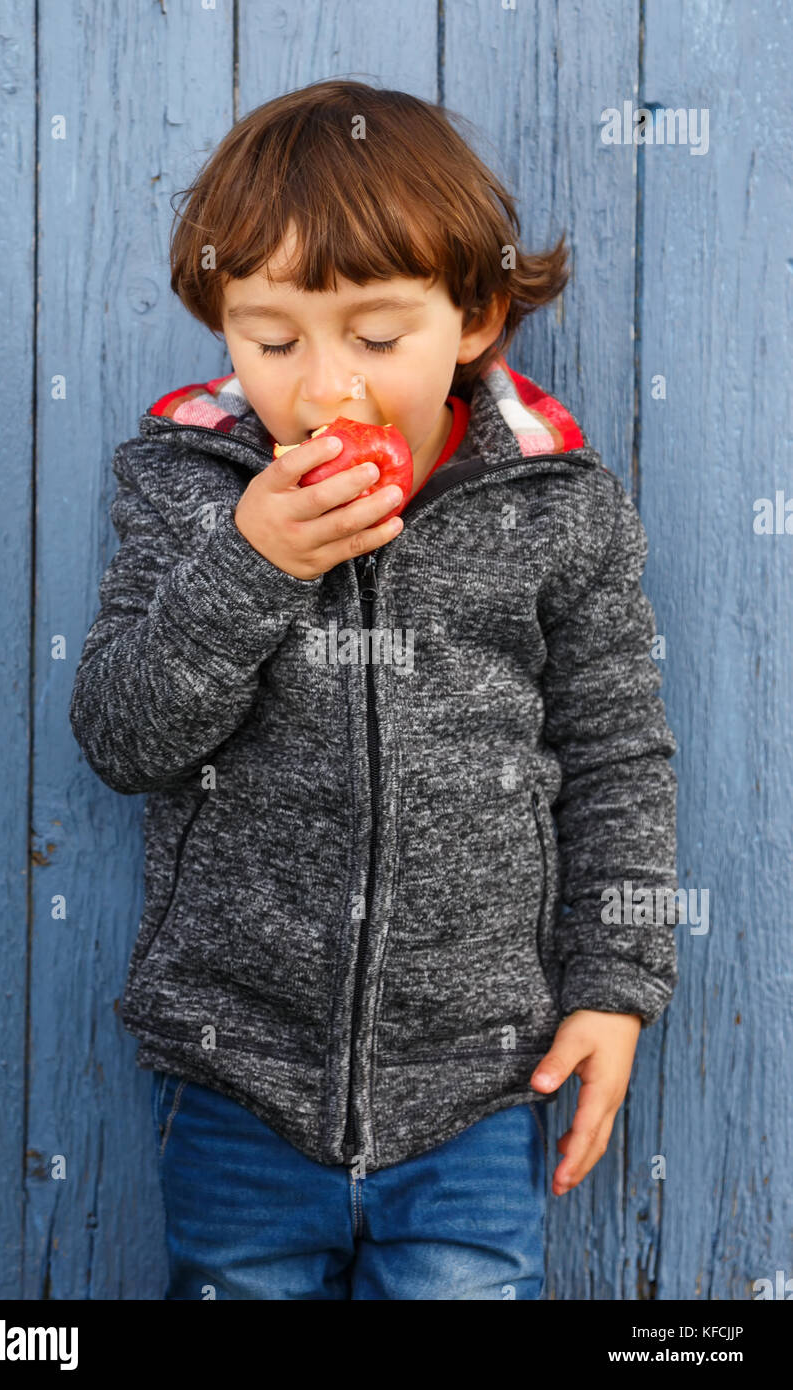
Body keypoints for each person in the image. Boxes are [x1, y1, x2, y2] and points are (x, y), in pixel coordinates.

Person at [69, 79, 681, 1300]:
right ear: (222, 323)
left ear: (472, 316)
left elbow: (618, 758)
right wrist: (250, 564)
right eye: (273, 337)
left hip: (475, 1088)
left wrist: (614, 987)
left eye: (375, 336)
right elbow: (124, 733)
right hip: (236, 1074)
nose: (323, 387)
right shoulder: (187, 485)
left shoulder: (554, 507)